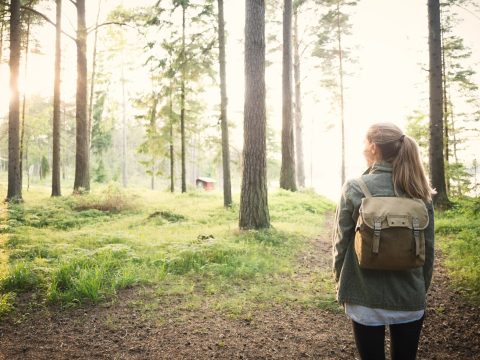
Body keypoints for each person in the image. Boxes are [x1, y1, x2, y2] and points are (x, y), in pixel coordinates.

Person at [332, 122, 435, 360]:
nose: (363, 148)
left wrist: (342, 284)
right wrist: (420, 289)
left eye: (364, 143)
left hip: (364, 296)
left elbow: (341, 243)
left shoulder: (355, 187)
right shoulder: (418, 190)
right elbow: (428, 249)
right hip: (409, 296)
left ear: (374, 147)